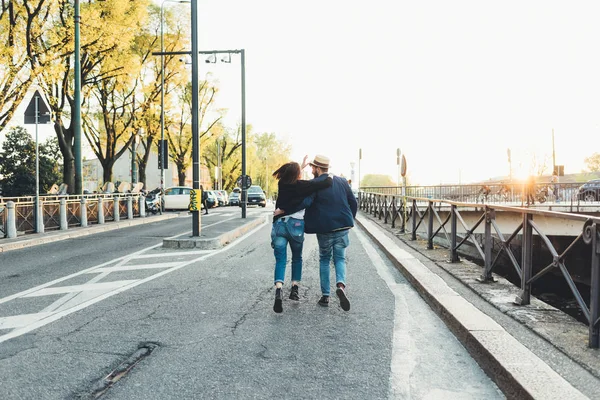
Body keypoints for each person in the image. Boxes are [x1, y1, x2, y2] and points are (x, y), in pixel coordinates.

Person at [270, 156, 333, 313]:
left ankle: (279, 289)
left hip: (279, 225)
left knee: (280, 260)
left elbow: (291, 178)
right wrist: (329, 175)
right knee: (297, 258)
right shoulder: (302, 186)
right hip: (296, 226)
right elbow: (326, 182)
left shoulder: (282, 184)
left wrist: (301, 167)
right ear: (297, 175)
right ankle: (294, 290)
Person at [304, 155, 357, 311]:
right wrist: (349, 219)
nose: (312, 170)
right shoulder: (342, 181)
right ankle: (341, 285)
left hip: (324, 228)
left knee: (325, 260)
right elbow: (353, 202)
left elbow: (307, 202)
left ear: (318, 169)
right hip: (342, 227)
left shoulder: (315, 184)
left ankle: (325, 296)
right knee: (340, 259)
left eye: (313, 167)